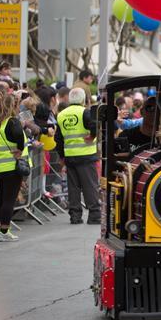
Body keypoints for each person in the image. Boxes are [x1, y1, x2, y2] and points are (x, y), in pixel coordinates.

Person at [0, 92, 27, 242]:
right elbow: (19, 136)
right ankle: (4, 230)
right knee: (9, 200)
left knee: (0, 199)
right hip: (10, 166)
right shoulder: (12, 121)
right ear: (13, 106)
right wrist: (20, 149)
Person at [55, 88, 101, 224]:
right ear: (82, 100)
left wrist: (62, 157)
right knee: (90, 186)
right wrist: (92, 136)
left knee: (73, 188)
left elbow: (58, 139)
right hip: (86, 155)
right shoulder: (85, 112)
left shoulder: (61, 115)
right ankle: (94, 215)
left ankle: (75, 216)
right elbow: (95, 124)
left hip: (70, 156)